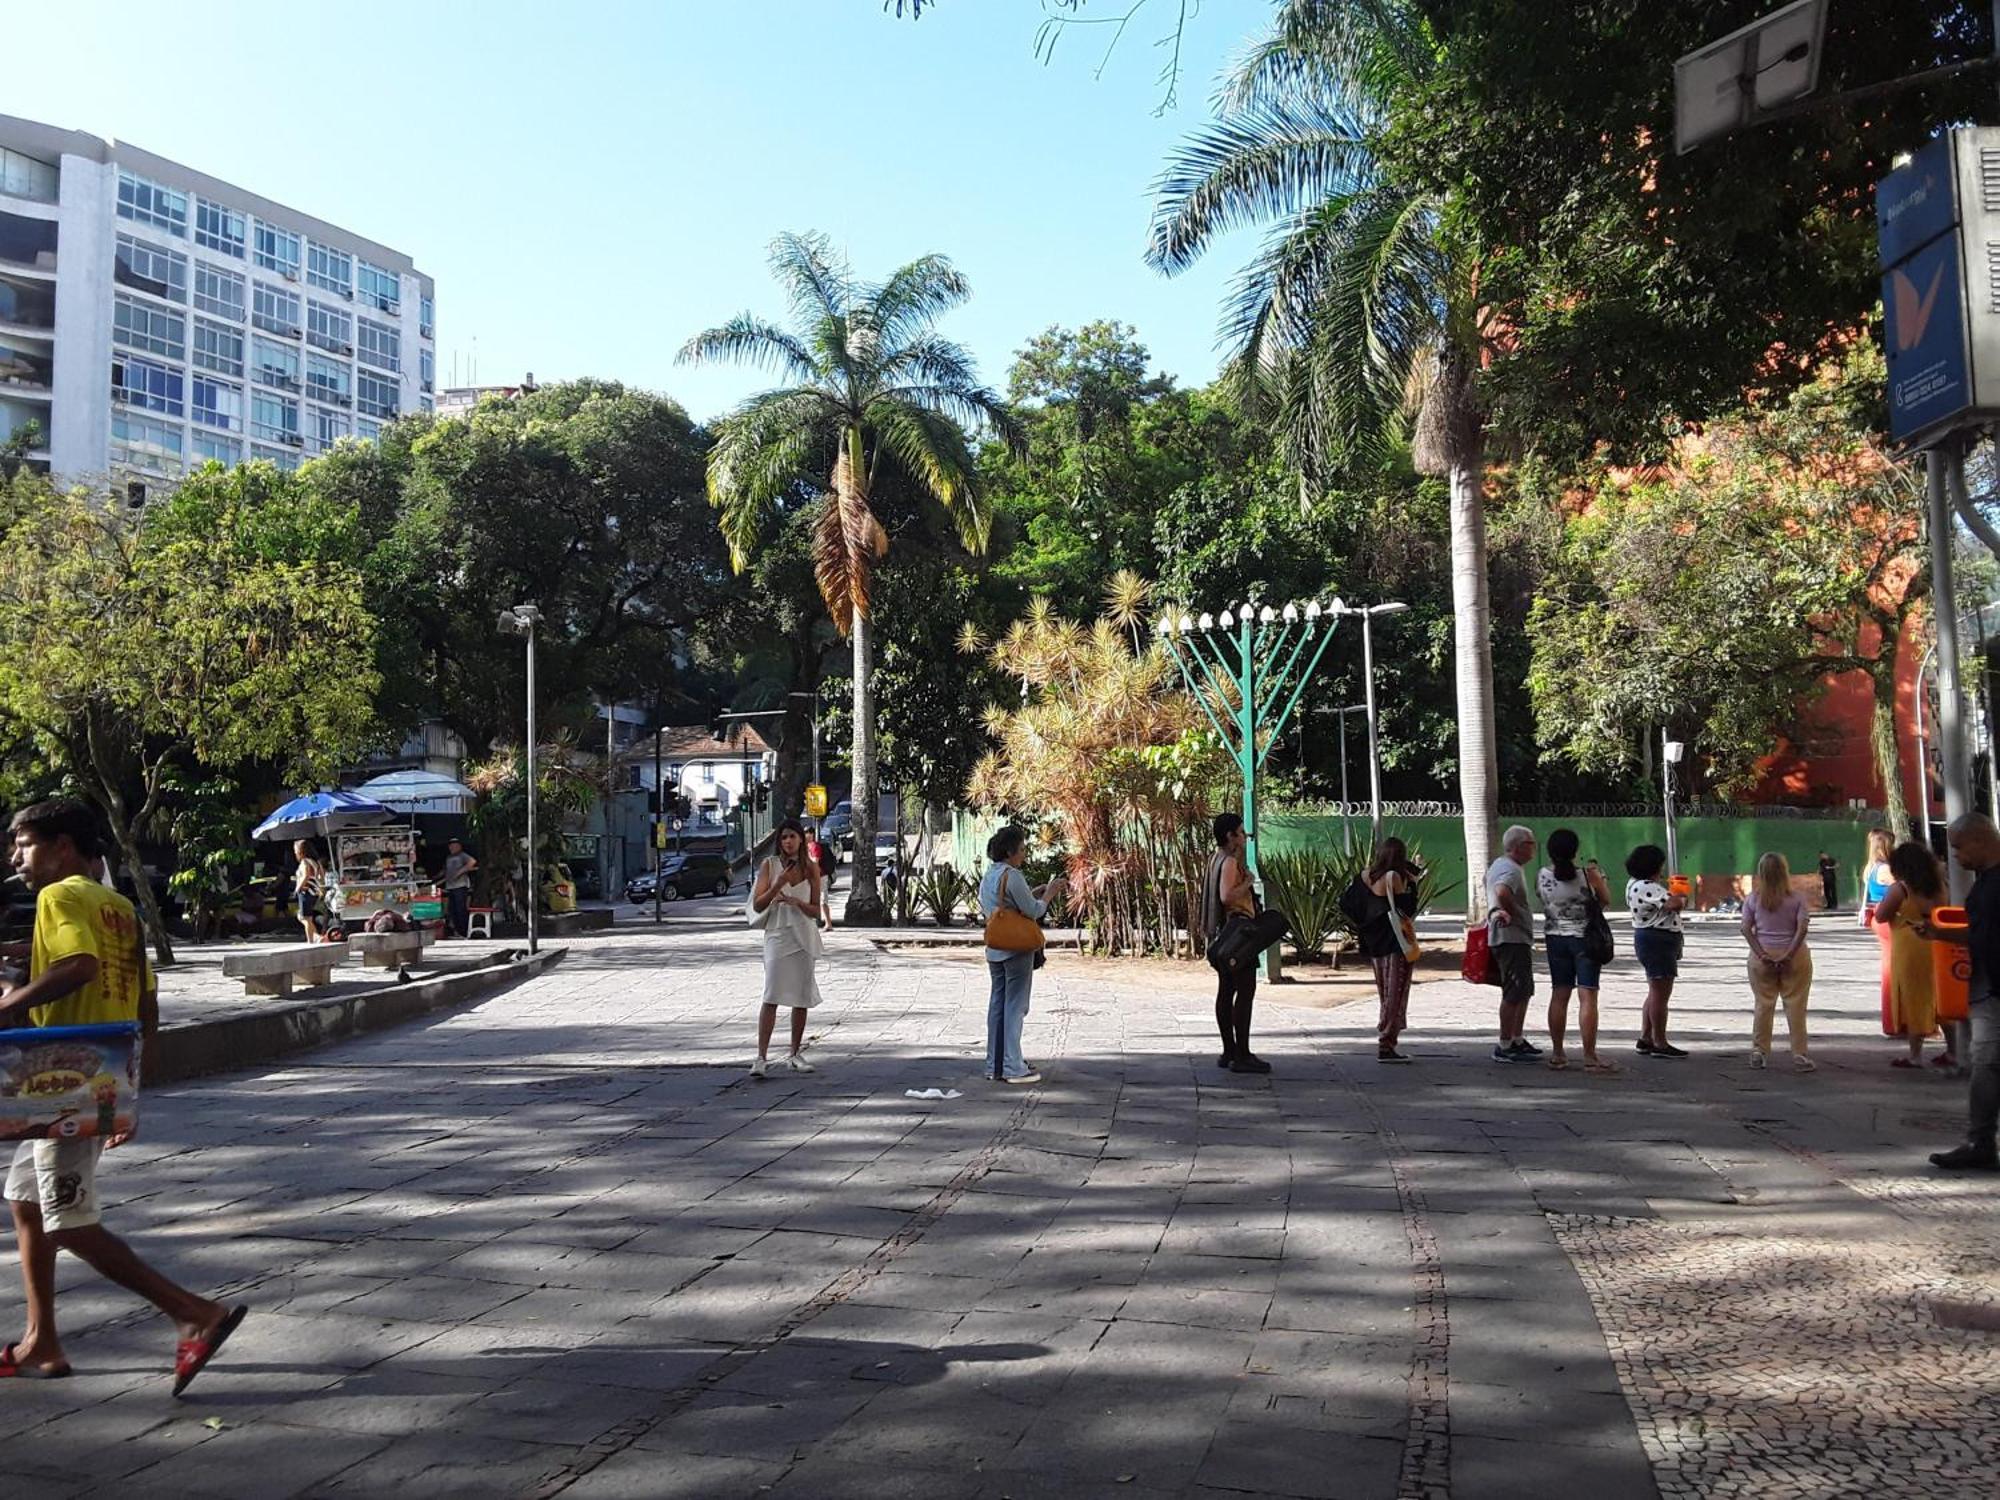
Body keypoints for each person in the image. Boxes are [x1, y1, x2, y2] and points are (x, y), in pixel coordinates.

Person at [0, 799, 247, 1389]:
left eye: (25, 843)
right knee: (27, 1203)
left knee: (67, 1222)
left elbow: (80, 966)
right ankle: (42, 1342)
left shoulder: (57, 897)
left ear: (63, 847)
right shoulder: (120, 908)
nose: (16, 856)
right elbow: (145, 1003)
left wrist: (8, 1002)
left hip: (62, 1089)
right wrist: (131, 1092)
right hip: (99, 1082)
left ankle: (195, 1314)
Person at [1924, 814, 2000, 1169]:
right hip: (1985, 987)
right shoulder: (1983, 883)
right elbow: (1979, 933)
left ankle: (1980, 1141)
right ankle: (1980, 1139)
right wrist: (1940, 934)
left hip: (1993, 988)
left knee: (1986, 1064)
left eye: (1958, 847)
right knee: (1985, 1063)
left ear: (1980, 840)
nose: (1954, 855)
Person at [979, 825, 1062, 1085]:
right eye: (1022, 849)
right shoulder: (1012, 875)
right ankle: (1013, 1066)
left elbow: (1001, 905)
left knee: (998, 1005)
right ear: (1010, 852)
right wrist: (1049, 894)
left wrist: (1031, 894)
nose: (1024, 854)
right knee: (1016, 1006)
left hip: (995, 947)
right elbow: (1034, 911)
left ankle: (995, 1064)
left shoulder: (989, 876)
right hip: (1016, 949)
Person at [749, 820, 824, 1079]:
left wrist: (795, 902)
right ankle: (761, 1056)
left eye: (792, 836)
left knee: (801, 995)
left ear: (801, 839)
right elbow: (758, 905)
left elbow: (816, 909)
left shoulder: (811, 869)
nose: (788, 842)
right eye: (783, 838)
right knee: (771, 993)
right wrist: (778, 883)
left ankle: (794, 1053)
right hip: (778, 934)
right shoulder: (769, 866)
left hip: (803, 934)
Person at [1538, 829, 1615, 1073]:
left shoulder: (1542, 875)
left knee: (1559, 994)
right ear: (1575, 851)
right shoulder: (1588, 874)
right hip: (1585, 938)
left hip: (1555, 938)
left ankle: (1558, 1054)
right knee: (1588, 995)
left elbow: (1544, 900)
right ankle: (1589, 1056)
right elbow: (1605, 899)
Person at [1204, 813, 1274, 1074]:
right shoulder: (1230, 862)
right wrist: (1248, 882)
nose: (1244, 837)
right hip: (1238, 934)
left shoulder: (1216, 858)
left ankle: (1229, 1050)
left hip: (1224, 933)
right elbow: (1226, 896)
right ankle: (1241, 1053)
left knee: (1226, 990)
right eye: (1240, 832)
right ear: (1230, 836)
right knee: (1245, 991)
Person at [1876, 839, 1951, 1071]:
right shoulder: (1939, 886)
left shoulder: (1901, 889)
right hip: (1935, 940)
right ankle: (1954, 1050)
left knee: (1914, 996)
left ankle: (1915, 1055)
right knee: (1939, 998)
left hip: (1909, 944)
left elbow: (1881, 915)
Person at [1740, 852, 1814, 1072]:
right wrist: (1789, 954)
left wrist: (1761, 954)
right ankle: (1799, 1053)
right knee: (1796, 1005)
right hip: (1795, 957)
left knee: (1764, 1003)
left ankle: (1759, 1051)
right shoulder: (1798, 899)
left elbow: (1745, 928)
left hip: (1762, 958)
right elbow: (1802, 928)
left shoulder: (1753, 899)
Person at [1358, 838, 1420, 1063]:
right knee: (1396, 992)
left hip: (1374, 941)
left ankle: (1386, 1038)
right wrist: (1413, 883)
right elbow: (1409, 909)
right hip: (1394, 942)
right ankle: (1387, 1043)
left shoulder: (1366, 876)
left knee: (1385, 991)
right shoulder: (1394, 878)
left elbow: (1348, 902)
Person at [1626, 844, 1688, 1058]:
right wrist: (1680, 892)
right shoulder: (1647, 887)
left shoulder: (1633, 884)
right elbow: (1674, 904)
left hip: (1650, 938)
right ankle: (1660, 1042)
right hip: (1658, 940)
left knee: (1654, 991)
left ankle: (1646, 1037)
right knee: (1661, 994)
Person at [1486, 826, 1540, 1063]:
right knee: (1513, 990)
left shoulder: (1502, 865)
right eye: (1531, 843)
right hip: (1511, 938)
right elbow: (1501, 891)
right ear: (1519, 846)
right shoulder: (1510, 870)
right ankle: (1505, 1043)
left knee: (1524, 989)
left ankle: (1517, 1038)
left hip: (1517, 938)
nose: (1534, 848)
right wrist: (1512, 913)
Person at [441, 837, 477, 939]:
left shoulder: (462, 855)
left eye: (455, 845)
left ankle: (464, 931)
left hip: (460, 886)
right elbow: (445, 871)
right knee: (452, 910)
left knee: (461, 909)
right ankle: (457, 932)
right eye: (451, 846)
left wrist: (460, 872)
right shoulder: (449, 858)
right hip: (450, 886)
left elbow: (472, 862)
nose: (452, 847)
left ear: (459, 846)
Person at [291, 839, 324, 944]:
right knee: (302, 916)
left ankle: (311, 941)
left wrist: (298, 888)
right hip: (314, 891)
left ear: (301, 850)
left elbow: (306, 875)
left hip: (306, 891)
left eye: (296, 850)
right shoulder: (315, 861)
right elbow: (322, 876)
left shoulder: (305, 861)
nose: (295, 852)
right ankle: (317, 937)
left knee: (306, 918)